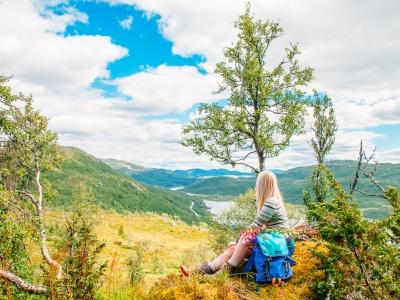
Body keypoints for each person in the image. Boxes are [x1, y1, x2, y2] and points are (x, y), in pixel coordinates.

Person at [180, 170, 290, 276]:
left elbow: (254, 228)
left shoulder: (271, 202)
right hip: (273, 243)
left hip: (276, 246)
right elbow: (258, 230)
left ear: (262, 186)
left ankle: (223, 273)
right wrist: (238, 244)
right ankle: (200, 271)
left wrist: (240, 242)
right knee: (233, 248)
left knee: (244, 239)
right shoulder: (273, 200)